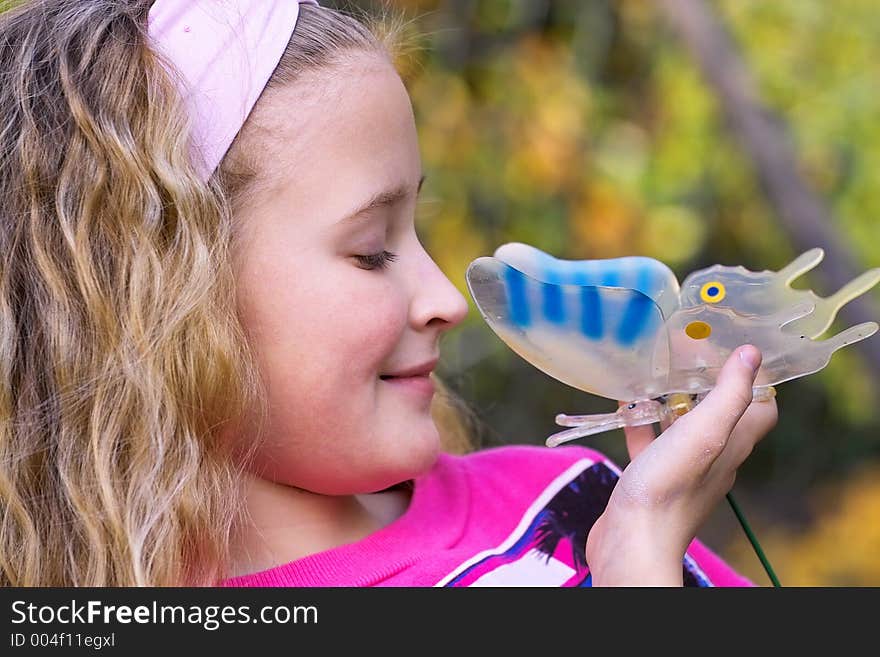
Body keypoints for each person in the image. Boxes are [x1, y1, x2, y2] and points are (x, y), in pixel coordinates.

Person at [0, 0, 778, 587]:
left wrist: (644, 531)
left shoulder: (575, 501)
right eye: (372, 252)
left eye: (418, 231)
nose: (445, 296)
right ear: (164, 300)